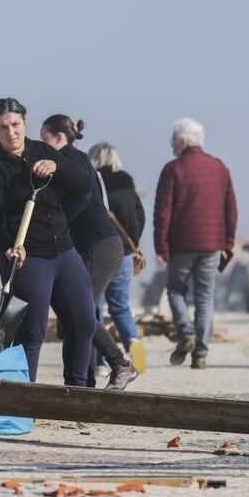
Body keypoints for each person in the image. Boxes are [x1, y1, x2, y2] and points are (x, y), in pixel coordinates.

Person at [0, 98, 95, 386]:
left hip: (64, 251)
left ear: (25, 123)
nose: (11, 132)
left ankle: (77, 391)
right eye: (3, 127)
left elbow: (82, 187)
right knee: (32, 332)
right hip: (28, 258)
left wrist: (58, 166)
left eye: (15, 125)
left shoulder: (43, 151)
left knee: (84, 323)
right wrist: (8, 245)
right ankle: (26, 398)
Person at [39, 116, 137, 390]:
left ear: (59, 137)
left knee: (79, 314)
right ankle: (83, 383)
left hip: (100, 245)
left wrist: (61, 223)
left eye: (44, 138)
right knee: (74, 317)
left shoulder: (71, 160)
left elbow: (82, 196)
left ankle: (120, 365)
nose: (41, 145)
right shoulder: (72, 159)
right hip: (90, 246)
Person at [154, 118, 237, 369]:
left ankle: (185, 331)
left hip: (181, 245)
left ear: (182, 141)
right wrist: (228, 242)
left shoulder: (173, 169)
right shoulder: (219, 167)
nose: (171, 146)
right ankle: (200, 353)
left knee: (175, 290)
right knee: (205, 297)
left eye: (172, 141)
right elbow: (231, 208)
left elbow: (163, 212)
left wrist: (161, 246)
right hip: (212, 245)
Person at [89, 141, 147, 372]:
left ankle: (100, 362)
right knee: (121, 306)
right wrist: (131, 242)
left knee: (95, 307)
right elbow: (140, 216)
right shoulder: (126, 182)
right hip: (123, 253)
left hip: (99, 253)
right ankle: (132, 340)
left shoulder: (93, 182)